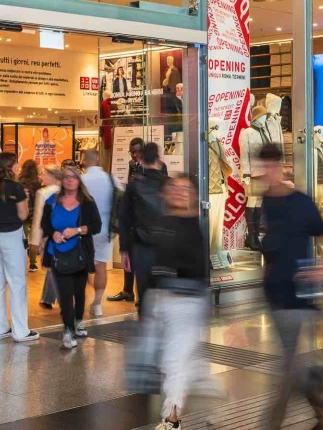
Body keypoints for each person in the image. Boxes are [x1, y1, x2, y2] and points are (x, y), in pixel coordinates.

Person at [258, 143, 323, 430]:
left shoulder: (300, 200)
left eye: (272, 166)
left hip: (299, 288)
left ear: (282, 166)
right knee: (293, 359)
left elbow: (321, 230)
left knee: (290, 361)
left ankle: (272, 421)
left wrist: (321, 265)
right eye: (264, 167)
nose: (268, 173)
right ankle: (322, 407)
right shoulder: (267, 201)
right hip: (275, 288)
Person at [147, 176, 208, 430]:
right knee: (175, 362)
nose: (181, 193)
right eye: (176, 189)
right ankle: (211, 397)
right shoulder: (163, 222)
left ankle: (171, 420)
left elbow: (197, 267)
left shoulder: (193, 226)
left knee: (174, 361)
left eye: (187, 190)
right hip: (163, 300)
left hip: (188, 302)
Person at [40, 164, 102, 349]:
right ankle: (68, 329)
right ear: (61, 180)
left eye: (73, 177)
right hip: (57, 253)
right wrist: (53, 234)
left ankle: (78, 320)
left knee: (79, 291)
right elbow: (45, 223)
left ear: (79, 180)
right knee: (65, 294)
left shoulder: (87, 202)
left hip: (80, 253)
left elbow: (96, 226)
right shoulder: (52, 201)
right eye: (66, 177)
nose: (69, 180)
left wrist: (77, 230)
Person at [0, 152, 39, 343]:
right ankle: (20, 330)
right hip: (11, 237)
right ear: (10, 166)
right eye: (16, 164)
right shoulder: (16, 188)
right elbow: (23, 215)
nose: (18, 167)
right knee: (17, 283)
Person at [118, 140, 168, 311]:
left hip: (141, 244)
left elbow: (124, 218)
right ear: (158, 159)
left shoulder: (134, 186)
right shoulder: (169, 185)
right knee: (163, 291)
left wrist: (124, 249)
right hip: (164, 244)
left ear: (144, 160)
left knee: (145, 291)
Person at [109, 136, 146, 303]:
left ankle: (141, 294)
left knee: (141, 258)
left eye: (138, 152)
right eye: (132, 153)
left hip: (144, 219)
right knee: (128, 255)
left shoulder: (150, 168)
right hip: (131, 217)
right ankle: (127, 290)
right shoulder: (132, 166)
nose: (135, 156)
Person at [81, 148, 118, 317]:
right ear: (97, 158)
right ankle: (97, 303)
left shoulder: (81, 180)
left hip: (84, 229)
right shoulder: (111, 179)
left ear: (83, 160)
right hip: (106, 229)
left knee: (82, 264)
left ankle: (79, 299)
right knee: (101, 265)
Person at [30, 165, 63, 310]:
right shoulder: (66, 191)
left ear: (53, 176)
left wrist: (35, 241)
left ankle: (53, 298)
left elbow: (38, 219)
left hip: (48, 236)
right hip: (65, 234)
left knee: (53, 266)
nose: (41, 177)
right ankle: (49, 297)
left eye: (44, 174)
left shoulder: (43, 193)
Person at [17, 158, 42, 270]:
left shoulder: (19, 181)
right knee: (34, 238)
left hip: (23, 212)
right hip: (35, 213)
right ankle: (32, 263)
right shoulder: (37, 182)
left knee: (23, 237)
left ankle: (21, 260)